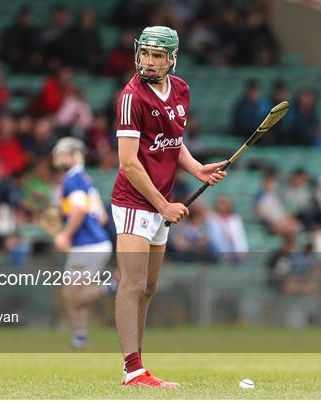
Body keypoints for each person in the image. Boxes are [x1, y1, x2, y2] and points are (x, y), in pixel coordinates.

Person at [110, 26, 227, 388]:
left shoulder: (180, 90)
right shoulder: (131, 98)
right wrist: (162, 205)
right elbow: (128, 162)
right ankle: (132, 370)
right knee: (132, 283)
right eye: (145, 53)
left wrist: (195, 168)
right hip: (134, 202)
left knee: (149, 287)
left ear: (172, 58)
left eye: (157, 55)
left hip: (160, 202)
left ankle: (138, 366)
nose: (149, 61)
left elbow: (172, 141)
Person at [52, 137, 115, 349]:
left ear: (73, 156)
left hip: (87, 245)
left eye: (62, 154)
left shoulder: (72, 180)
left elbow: (79, 210)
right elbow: (103, 216)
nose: (58, 158)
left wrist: (65, 234)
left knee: (72, 295)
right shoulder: (85, 179)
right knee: (74, 292)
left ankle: (112, 286)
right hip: (96, 243)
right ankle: (80, 337)